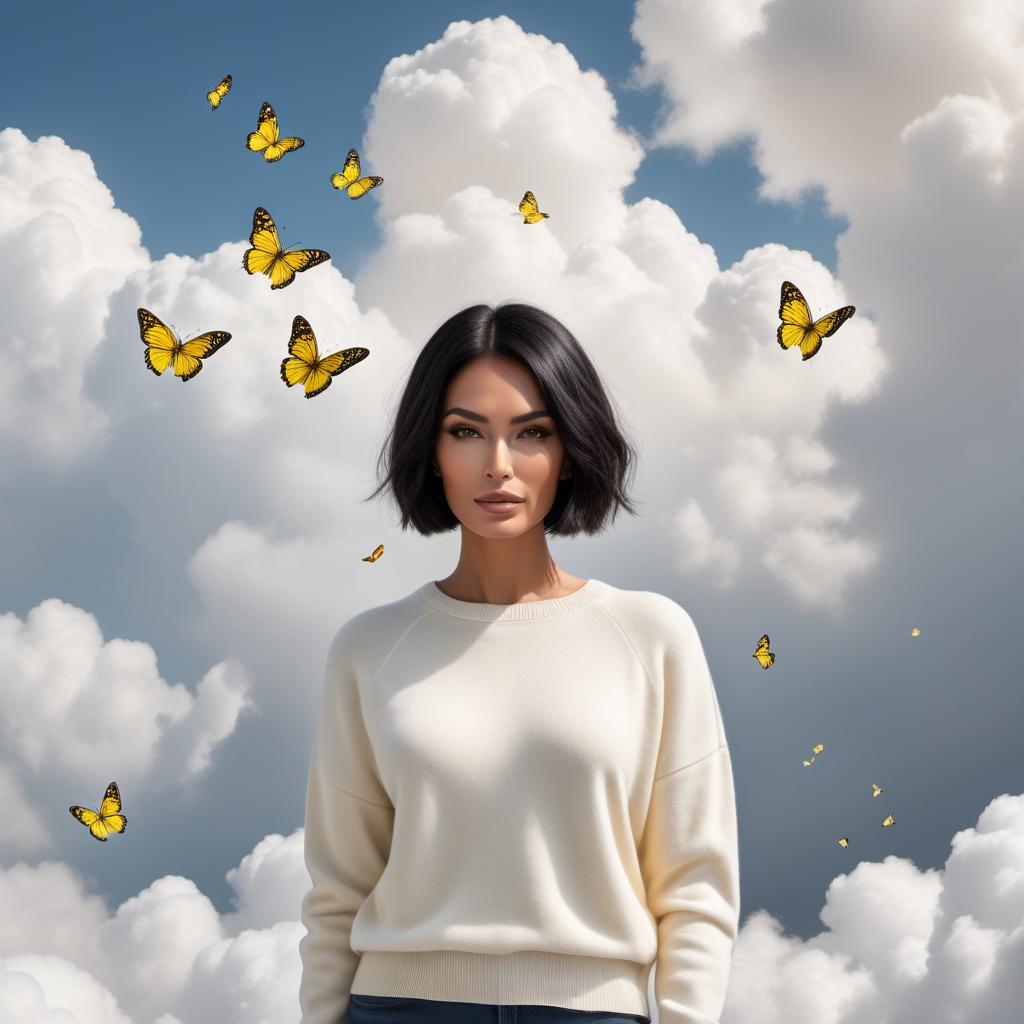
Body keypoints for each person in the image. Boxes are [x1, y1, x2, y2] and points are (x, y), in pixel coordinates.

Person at [299, 302, 740, 1024]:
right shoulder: (370, 648)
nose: (497, 465)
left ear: (570, 449)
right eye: (465, 431)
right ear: (429, 449)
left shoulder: (651, 635)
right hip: (399, 1010)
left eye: (531, 433)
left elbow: (696, 885)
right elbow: (337, 893)